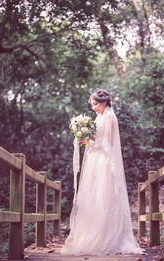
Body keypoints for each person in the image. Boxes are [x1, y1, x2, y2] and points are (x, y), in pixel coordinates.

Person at [61, 89, 143, 256]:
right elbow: (97, 139)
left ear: (104, 102)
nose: (93, 107)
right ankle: (92, 232)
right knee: (92, 195)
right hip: (95, 159)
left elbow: (109, 144)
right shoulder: (98, 117)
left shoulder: (110, 117)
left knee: (103, 195)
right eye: (92, 104)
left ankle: (107, 237)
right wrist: (86, 138)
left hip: (105, 162)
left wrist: (90, 140)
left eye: (95, 103)